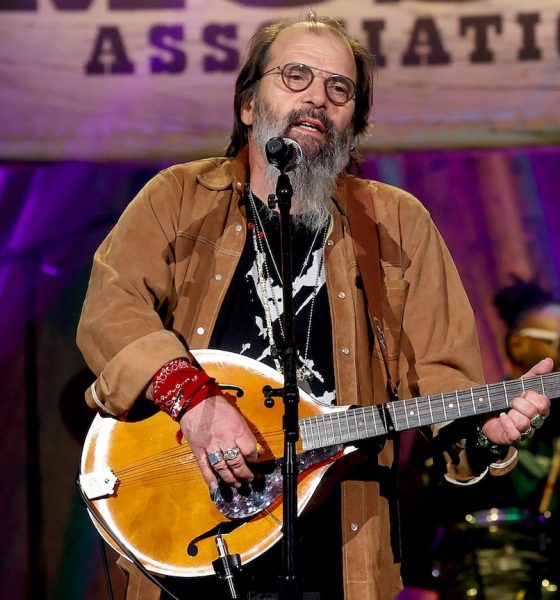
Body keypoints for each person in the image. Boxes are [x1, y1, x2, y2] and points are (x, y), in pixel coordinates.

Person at [76, 11, 552, 600]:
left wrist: (482, 434)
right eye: (295, 76)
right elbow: (111, 310)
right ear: (249, 104)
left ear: (355, 123)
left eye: (338, 88)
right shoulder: (176, 198)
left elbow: (438, 379)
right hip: (187, 535)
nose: (316, 100)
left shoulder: (399, 223)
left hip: (340, 547)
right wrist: (197, 403)